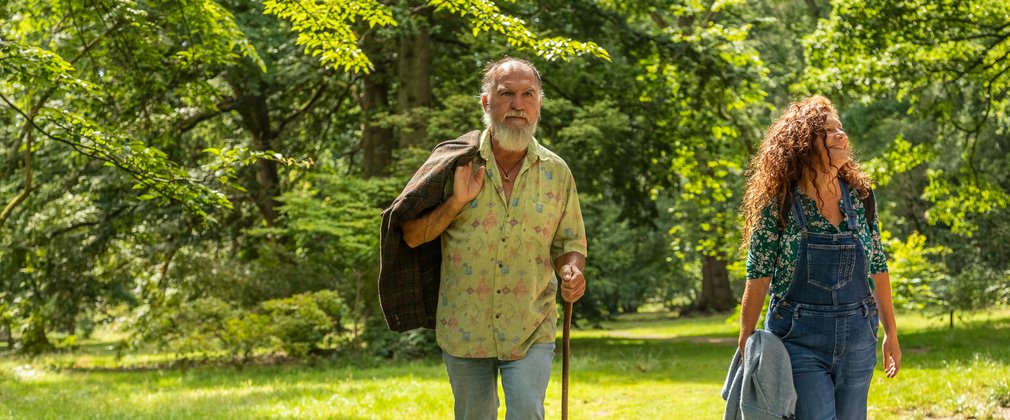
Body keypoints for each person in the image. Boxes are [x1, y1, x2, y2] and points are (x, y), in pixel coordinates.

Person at [384, 57, 587, 420]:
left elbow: (569, 243)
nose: (518, 104)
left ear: (539, 103)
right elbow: (411, 237)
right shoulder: (454, 164)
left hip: (531, 324)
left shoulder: (557, 173)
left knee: (526, 411)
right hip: (464, 327)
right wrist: (456, 202)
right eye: (506, 93)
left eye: (528, 94)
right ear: (485, 102)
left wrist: (572, 271)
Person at [737, 95, 901, 419]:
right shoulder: (780, 200)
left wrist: (891, 334)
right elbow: (757, 276)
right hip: (797, 339)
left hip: (859, 335)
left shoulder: (861, 197)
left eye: (841, 128)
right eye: (828, 130)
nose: (841, 135)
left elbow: (878, 266)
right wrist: (746, 340)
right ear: (802, 141)